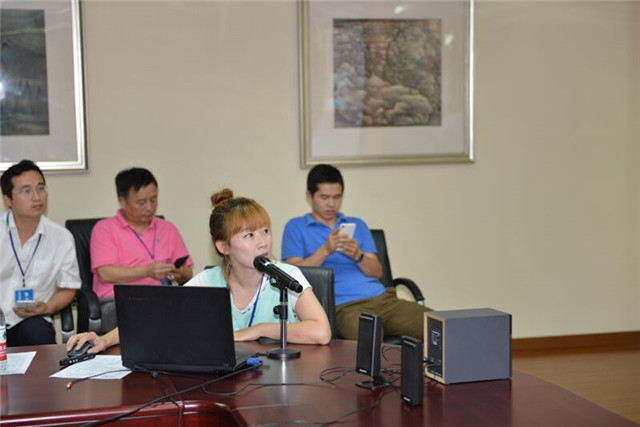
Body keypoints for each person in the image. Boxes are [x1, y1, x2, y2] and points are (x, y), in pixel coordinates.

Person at [67, 188, 331, 354]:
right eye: (249, 235)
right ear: (223, 246)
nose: (263, 242)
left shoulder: (287, 276)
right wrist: (104, 339)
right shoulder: (207, 281)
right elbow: (155, 318)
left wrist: (260, 329)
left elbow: (321, 332)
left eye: (265, 231)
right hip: (230, 383)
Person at [281, 164, 429, 341]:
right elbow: (292, 275)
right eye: (324, 197)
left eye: (337, 197)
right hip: (345, 307)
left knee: (442, 327)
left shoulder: (358, 225)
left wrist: (358, 255)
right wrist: (325, 250)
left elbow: (377, 272)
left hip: (384, 300)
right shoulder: (296, 227)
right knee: (370, 344)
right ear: (309, 196)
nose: (332, 204)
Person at [90, 167, 193, 333]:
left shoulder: (167, 228)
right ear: (122, 201)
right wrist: (147, 271)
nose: (149, 207)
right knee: (140, 320)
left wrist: (180, 272)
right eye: (141, 202)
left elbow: (188, 273)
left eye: (153, 199)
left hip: (162, 298)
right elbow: (105, 273)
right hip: (118, 301)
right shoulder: (104, 229)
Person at [1, 160, 81, 346]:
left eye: (41, 188)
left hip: (33, 320)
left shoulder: (61, 238)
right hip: (1, 318)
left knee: (37, 331)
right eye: (26, 191)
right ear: (8, 199)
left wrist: (47, 307)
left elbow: (68, 287)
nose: (37, 197)